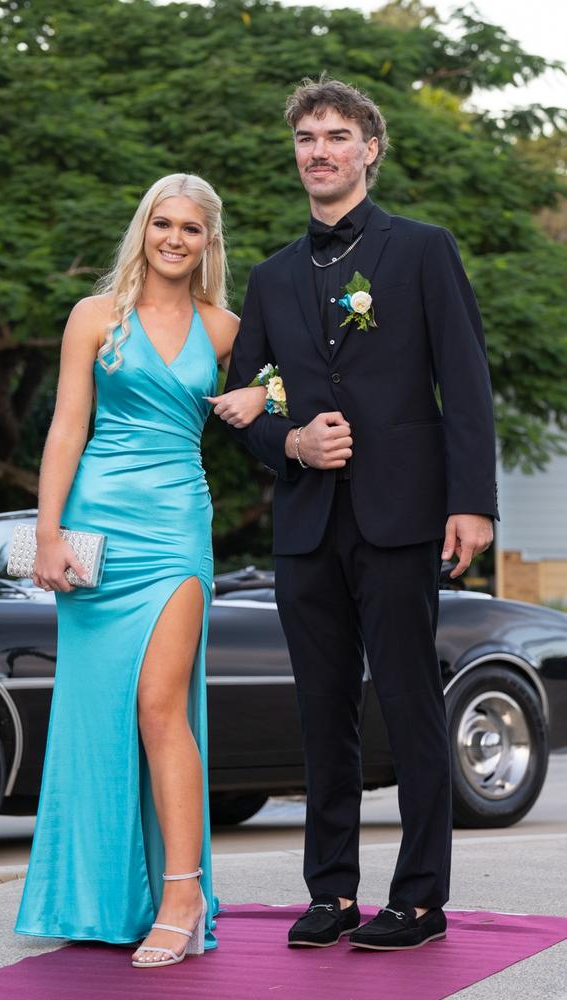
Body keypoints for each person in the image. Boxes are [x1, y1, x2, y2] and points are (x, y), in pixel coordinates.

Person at [213, 77, 497, 952]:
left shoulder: (421, 249)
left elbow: (466, 378)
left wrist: (473, 505)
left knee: (410, 705)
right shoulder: (271, 276)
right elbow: (241, 402)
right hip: (306, 525)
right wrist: (292, 444)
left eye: (337, 136)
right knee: (320, 711)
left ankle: (418, 898)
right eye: (306, 138)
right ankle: (330, 890)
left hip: (404, 517)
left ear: (368, 149)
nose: (320, 151)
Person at [13, 173, 267, 968]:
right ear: (144, 228)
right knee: (95, 718)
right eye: (164, 223)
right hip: (96, 532)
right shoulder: (94, 316)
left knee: (162, 706)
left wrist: (264, 395)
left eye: (192, 229)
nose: (175, 239)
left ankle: (183, 893)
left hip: (176, 533)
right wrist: (49, 530)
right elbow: (66, 427)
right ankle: (93, 898)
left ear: (208, 242)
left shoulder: (226, 329)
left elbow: (303, 377)